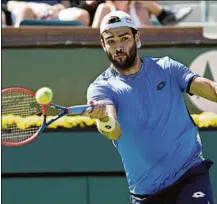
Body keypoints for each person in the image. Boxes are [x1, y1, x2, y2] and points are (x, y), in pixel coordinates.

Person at [83, 11, 217, 204]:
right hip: (146, 193)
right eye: (111, 41)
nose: (118, 46)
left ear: (137, 38)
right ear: (103, 45)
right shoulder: (100, 88)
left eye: (124, 38)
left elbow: (211, 89)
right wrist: (104, 119)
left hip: (189, 175)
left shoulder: (167, 68)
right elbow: (113, 129)